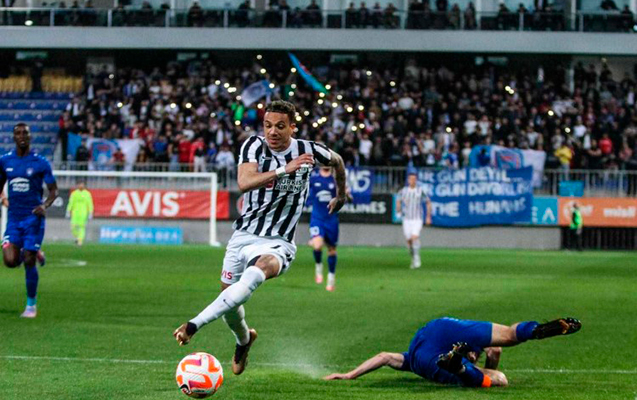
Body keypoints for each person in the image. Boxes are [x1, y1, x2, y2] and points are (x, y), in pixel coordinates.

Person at [174, 100, 348, 375]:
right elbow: (244, 183)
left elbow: (337, 161)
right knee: (230, 302)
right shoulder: (254, 146)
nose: (272, 132)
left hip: (278, 242)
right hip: (243, 236)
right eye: (268, 125)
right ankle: (244, 340)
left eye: (280, 126)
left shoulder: (309, 150)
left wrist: (341, 194)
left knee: (253, 276)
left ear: (292, 127)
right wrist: (284, 169)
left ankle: (193, 324)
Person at [324, 316, 581, 387]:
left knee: (506, 341)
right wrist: (488, 366)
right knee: (500, 375)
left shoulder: (412, 360)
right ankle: (533, 330)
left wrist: (349, 374)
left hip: (438, 331)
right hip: (437, 348)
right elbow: (495, 353)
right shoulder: (416, 362)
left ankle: (536, 330)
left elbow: (384, 357)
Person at [0, 123, 58, 318]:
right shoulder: (5, 161)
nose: (22, 136)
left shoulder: (40, 162)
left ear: (30, 136)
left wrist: (45, 205)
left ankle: (31, 306)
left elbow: (53, 190)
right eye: (18, 133)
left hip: (33, 218)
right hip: (14, 219)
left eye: (25, 133)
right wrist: (2, 198)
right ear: (13, 137)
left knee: (28, 260)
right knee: (10, 261)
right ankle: (34, 251)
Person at [308, 167, 351, 291]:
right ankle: (318, 266)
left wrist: (347, 195)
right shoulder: (314, 178)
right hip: (317, 218)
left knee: (332, 250)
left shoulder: (336, 179)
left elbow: (346, 197)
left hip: (331, 219)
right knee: (317, 245)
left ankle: (331, 278)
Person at [396, 171, 432, 269]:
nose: (412, 181)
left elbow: (428, 202)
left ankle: (416, 258)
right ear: (408, 180)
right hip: (407, 219)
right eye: (411, 179)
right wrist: (398, 211)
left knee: (414, 238)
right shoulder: (403, 191)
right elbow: (398, 201)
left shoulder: (420, 191)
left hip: (417, 219)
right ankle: (413, 257)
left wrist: (428, 216)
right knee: (409, 241)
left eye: (414, 179)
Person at [66, 181, 94, 246]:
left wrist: (90, 212)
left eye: (82, 184)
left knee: (82, 227)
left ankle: (80, 241)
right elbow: (71, 202)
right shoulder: (74, 194)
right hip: (75, 213)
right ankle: (78, 237)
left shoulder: (87, 194)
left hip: (83, 213)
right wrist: (68, 210)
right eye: (80, 184)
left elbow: (90, 203)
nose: (81, 186)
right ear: (77, 185)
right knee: (73, 227)